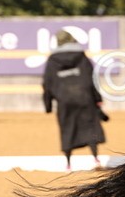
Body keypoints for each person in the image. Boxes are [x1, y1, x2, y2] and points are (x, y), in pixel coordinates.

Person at [42, 30, 107, 170]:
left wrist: (48, 105)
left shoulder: (52, 60)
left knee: (67, 129)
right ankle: (96, 159)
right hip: (85, 98)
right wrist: (97, 98)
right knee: (90, 127)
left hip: (64, 101)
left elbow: (48, 83)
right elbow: (91, 79)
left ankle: (68, 164)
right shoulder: (81, 57)